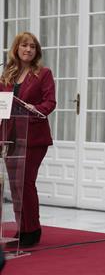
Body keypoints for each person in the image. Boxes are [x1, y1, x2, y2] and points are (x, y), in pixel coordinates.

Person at [0, 32, 56, 247]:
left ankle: (33, 230)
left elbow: (50, 102)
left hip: (34, 137)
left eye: (32, 47)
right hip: (11, 137)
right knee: (15, 185)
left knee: (25, 182)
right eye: (24, 46)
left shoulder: (43, 73)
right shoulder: (7, 76)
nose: (29, 50)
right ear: (16, 49)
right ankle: (22, 228)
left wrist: (36, 109)